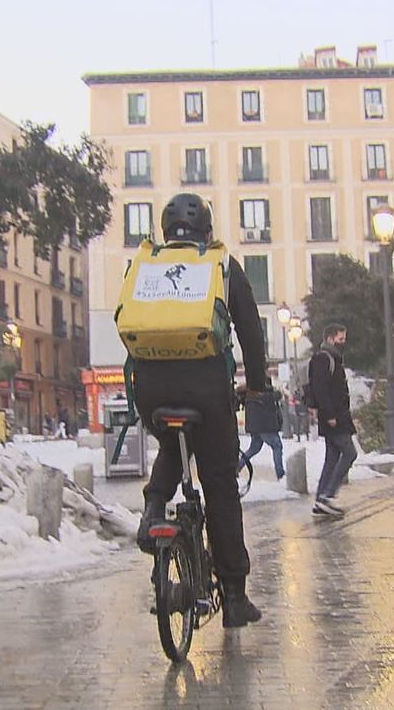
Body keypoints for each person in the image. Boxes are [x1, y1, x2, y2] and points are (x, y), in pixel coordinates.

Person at [133, 193, 269, 629]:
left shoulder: (146, 265)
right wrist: (257, 386)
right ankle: (234, 597)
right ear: (207, 233)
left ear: (165, 232)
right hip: (208, 390)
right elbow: (250, 333)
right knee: (219, 486)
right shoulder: (222, 266)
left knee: (174, 442)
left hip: (151, 390)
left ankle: (154, 507)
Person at [309, 323, 357, 516]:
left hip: (338, 416)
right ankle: (328, 495)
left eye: (344, 338)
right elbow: (320, 389)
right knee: (349, 453)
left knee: (332, 457)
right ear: (330, 338)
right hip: (334, 417)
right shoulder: (324, 359)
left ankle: (321, 498)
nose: (343, 342)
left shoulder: (333, 359)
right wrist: (329, 415)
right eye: (340, 338)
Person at [238, 386, 285, 480]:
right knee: (277, 446)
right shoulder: (263, 394)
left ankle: (237, 467)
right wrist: (278, 391)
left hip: (255, 426)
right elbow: (276, 396)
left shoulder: (248, 395)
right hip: (265, 426)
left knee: (254, 448)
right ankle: (280, 473)